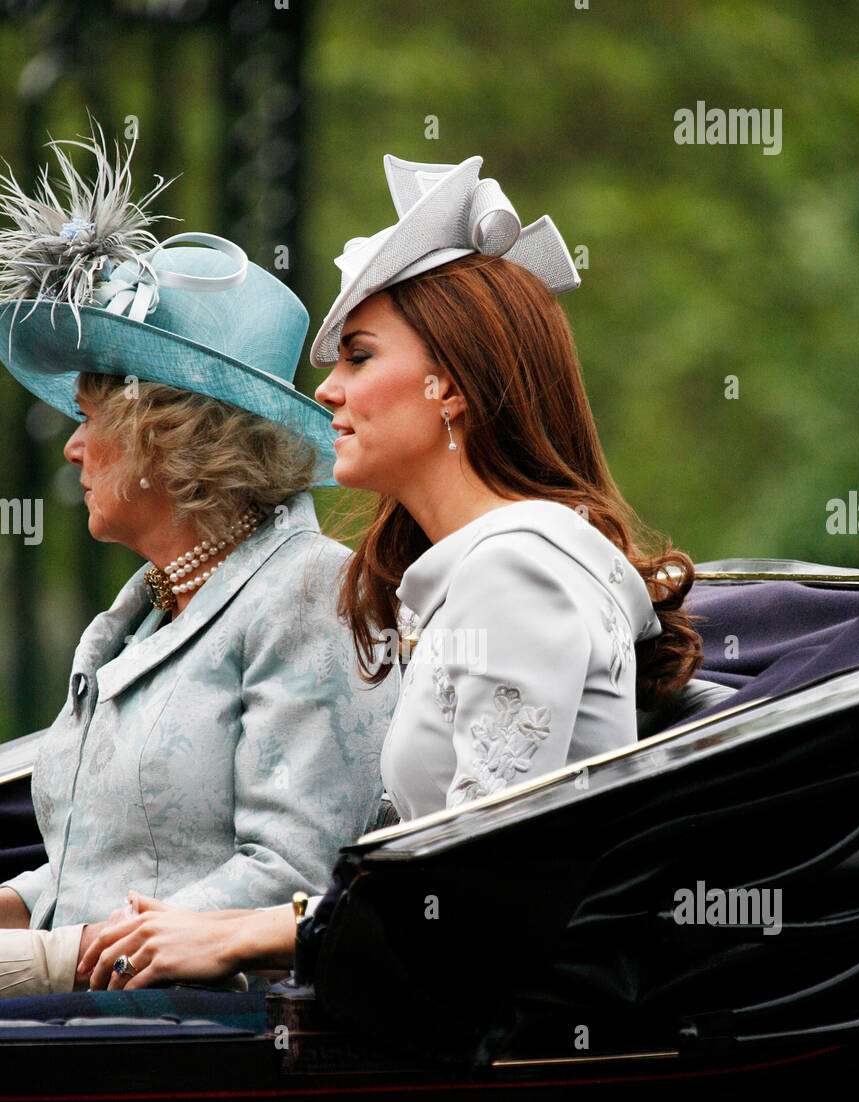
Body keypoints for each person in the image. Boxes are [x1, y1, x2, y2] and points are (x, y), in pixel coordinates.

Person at [80, 153, 701, 991]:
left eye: (360, 357)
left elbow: (481, 901)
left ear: (451, 386)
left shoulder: (521, 572)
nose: (327, 390)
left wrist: (242, 935)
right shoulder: (476, 574)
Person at [0, 125, 394, 995]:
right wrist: (18, 910)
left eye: (89, 416)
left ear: (164, 434)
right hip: (86, 1025)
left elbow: (297, 872)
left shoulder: (308, 592)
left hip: (200, 1045)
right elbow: (105, 861)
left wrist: (52, 961)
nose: (72, 448)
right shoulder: (139, 615)